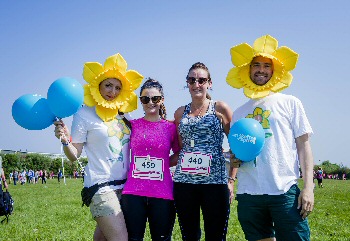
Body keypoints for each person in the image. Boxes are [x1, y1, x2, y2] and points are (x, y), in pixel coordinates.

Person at [226, 35, 314, 241]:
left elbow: (304, 146)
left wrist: (309, 187)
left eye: (267, 65)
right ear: (247, 69)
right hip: (249, 193)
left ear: (274, 70)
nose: (261, 70)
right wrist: (234, 159)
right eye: (256, 65)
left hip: (283, 190)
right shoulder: (239, 112)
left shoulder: (290, 103)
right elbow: (238, 151)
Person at [54, 53, 143, 241]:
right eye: (108, 85)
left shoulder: (124, 116)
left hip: (126, 188)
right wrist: (65, 140)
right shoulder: (84, 113)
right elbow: (74, 154)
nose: (112, 91)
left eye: (118, 87)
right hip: (101, 188)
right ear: (98, 85)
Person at [173, 62, 234, 240]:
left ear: (210, 83)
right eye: (192, 80)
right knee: (189, 236)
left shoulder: (220, 108)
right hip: (184, 184)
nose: (196, 84)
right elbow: (181, 147)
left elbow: (236, 147)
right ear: (187, 83)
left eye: (201, 80)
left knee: (215, 237)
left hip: (215, 184)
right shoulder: (179, 113)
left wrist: (231, 180)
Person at [121, 78, 180, 240]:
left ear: (162, 100)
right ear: (140, 101)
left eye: (155, 98)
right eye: (145, 99)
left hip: (163, 194)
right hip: (133, 193)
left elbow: (179, 152)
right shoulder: (132, 125)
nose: (150, 102)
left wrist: (163, 163)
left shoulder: (171, 127)